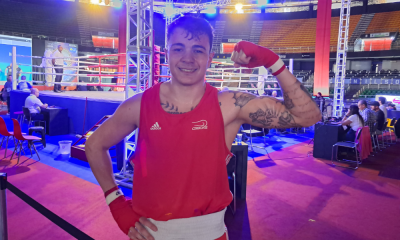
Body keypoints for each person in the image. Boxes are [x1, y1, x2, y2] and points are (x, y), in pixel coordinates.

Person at [85, 16, 320, 240]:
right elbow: (95, 145)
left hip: (209, 233)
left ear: (210, 58)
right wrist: (116, 204)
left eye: (198, 50)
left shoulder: (228, 104)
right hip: (150, 233)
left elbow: (307, 117)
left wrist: (271, 60)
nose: (188, 58)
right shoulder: (138, 105)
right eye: (178, 49)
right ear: (166, 53)